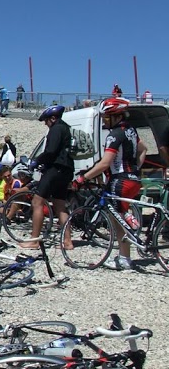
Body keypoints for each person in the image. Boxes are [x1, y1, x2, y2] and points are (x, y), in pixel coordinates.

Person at [73, 97, 147, 270]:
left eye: (107, 117)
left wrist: (83, 178)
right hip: (133, 180)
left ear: (117, 116)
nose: (104, 121)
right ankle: (128, 249)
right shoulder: (130, 130)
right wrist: (135, 168)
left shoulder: (114, 135)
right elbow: (143, 150)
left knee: (118, 221)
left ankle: (124, 258)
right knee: (122, 215)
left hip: (120, 181)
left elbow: (105, 164)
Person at [19, 105, 74, 250]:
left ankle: (34, 240)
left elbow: (51, 151)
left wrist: (36, 161)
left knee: (37, 202)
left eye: (46, 120)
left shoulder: (56, 129)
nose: (45, 123)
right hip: (66, 170)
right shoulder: (66, 128)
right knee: (60, 205)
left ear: (53, 118)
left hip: (55, 169)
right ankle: (68, 241)